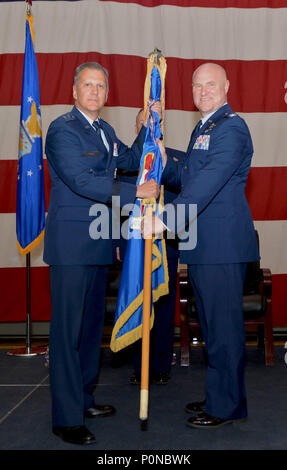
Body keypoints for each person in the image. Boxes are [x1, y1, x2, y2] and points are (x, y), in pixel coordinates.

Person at [44, 62, 161, 445]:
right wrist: (136, 194)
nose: (94, 91)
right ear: (74, 91)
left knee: (91, 330)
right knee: (68, 334)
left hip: (99, 245)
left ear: (106, 95)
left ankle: (84, 397)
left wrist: (146, 127)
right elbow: (82, 180)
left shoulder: (105, 130)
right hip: (72, 248)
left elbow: (129, 160)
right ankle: (66, 417)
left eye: (100, 86)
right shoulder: (63, 130)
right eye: (87, 85)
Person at [141, 63, 259, 429]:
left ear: (226, 86)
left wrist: (163, 220)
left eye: (211, 84)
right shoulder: (204, 128)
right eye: (197, 85)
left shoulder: (232, 128)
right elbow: (188, 175)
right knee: (211, 328)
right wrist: (163, 160)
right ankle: (222, 396)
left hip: (222, 246)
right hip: (205, 246)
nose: (203, 91)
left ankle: (225, 407)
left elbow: (206, 183)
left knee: (223, 330)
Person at [117, 109, 185, 385]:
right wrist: (116, 244)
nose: (150, 125)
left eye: (155, 121)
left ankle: (160, 365)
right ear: (137, 127)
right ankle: (139, 365)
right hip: (133, 245)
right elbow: (114, 207)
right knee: (137, 302)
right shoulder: (127, 163)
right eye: (144, 122)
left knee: (164, 306)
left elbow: (186, 201)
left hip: (165, 244)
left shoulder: (176, 159)